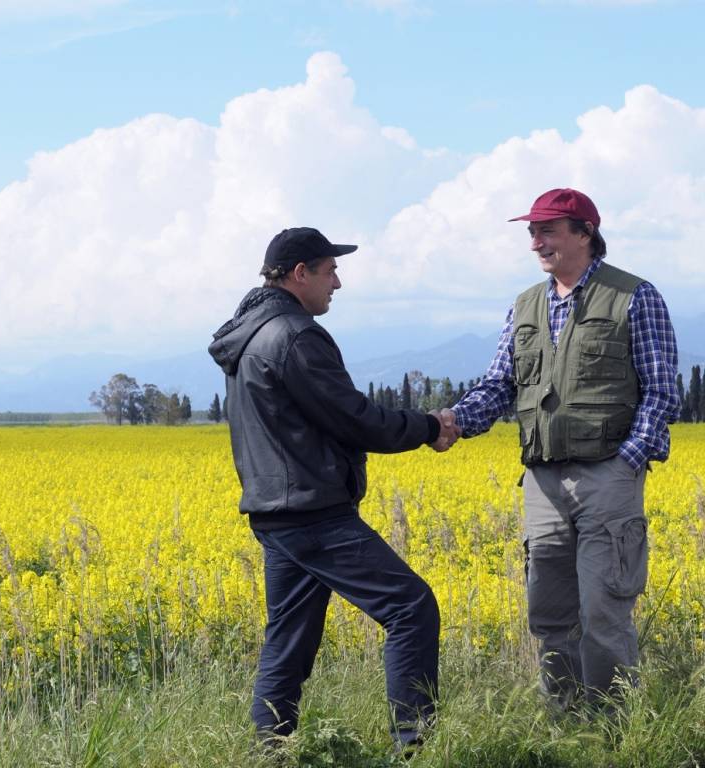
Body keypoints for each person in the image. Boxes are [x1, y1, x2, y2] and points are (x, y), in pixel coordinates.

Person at [208, 226, 459, 751]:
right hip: (312, 512)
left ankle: (266, 751)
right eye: (329, 271)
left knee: (289, 638)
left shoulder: (250, 334)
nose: (337, 284)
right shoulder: (294, 335)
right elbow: (354, 418)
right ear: (300, 274)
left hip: (275, 512)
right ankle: (415, 748)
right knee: (411, 608)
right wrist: (429, 428)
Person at [443, 188, 680, 711]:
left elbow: (663, 389)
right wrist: (451, 422)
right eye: (532, 232)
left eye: (547, 230)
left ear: (584, 233)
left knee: (604, 610)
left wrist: (628, 463)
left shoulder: (634, 296)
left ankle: (614, 726)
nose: (535, 242)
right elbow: (499, 385)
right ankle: (565, 724)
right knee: (548, 614)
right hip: (542, 483)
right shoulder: (525, 304)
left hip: (608, 476)